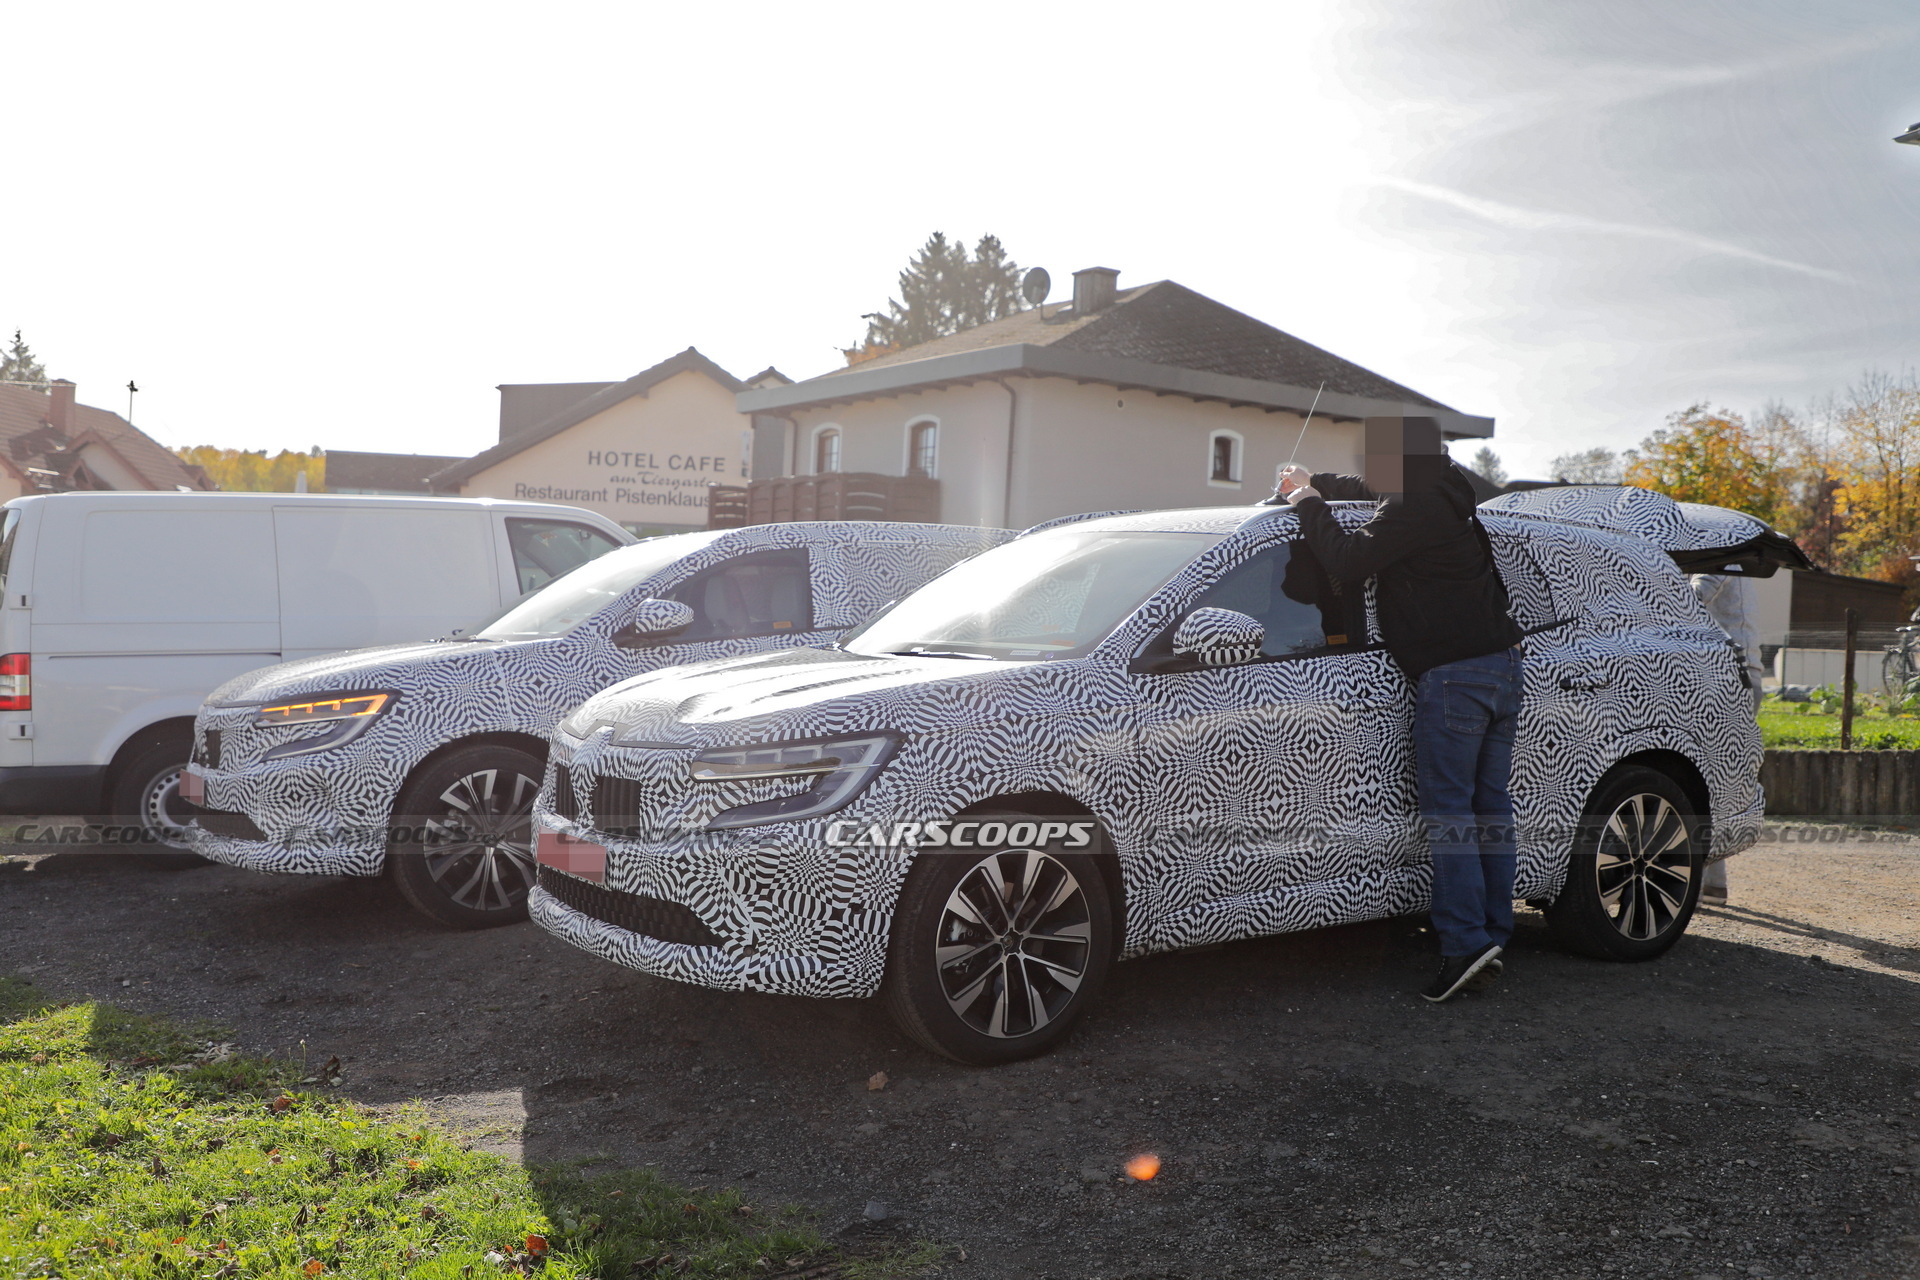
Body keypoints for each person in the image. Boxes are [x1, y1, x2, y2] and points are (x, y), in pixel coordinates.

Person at [1275, 417, 1524, 1003]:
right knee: (1489, 806)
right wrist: (1314, 480)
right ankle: (1492, 932)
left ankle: (1463, 944)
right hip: (1498, 666)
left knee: (1451, 813)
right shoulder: (1443, 490)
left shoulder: (1413, 508)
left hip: (1455, 674)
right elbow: (1365, 488)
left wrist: (1308, 501)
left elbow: (1346, 560)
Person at [1689, 571, 1764, 905]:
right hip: (1738, 670)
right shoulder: (1729, 552)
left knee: (1708, 777)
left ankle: (1702, 882)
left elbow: (1693, 596)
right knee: (1715, 777)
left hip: (1729, 673)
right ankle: (1712, 884)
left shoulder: (1719, 554)